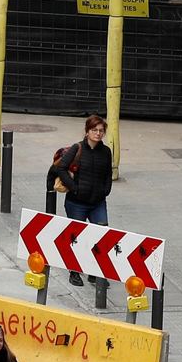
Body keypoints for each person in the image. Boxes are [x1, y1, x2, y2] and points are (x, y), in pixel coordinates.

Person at [48, 114, 114, 287]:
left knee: (100, 236)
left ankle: (95, 273)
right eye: (94, 130)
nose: (98, 134)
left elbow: (108, 173)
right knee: (76, 237)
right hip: (76, 202)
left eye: (101, 131)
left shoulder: (106, 152)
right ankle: (74, 272)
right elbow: (61, 168)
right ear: (87, 131)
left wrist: (106, 190)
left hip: (98, 202)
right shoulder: (77, 149)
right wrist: (74, 188)